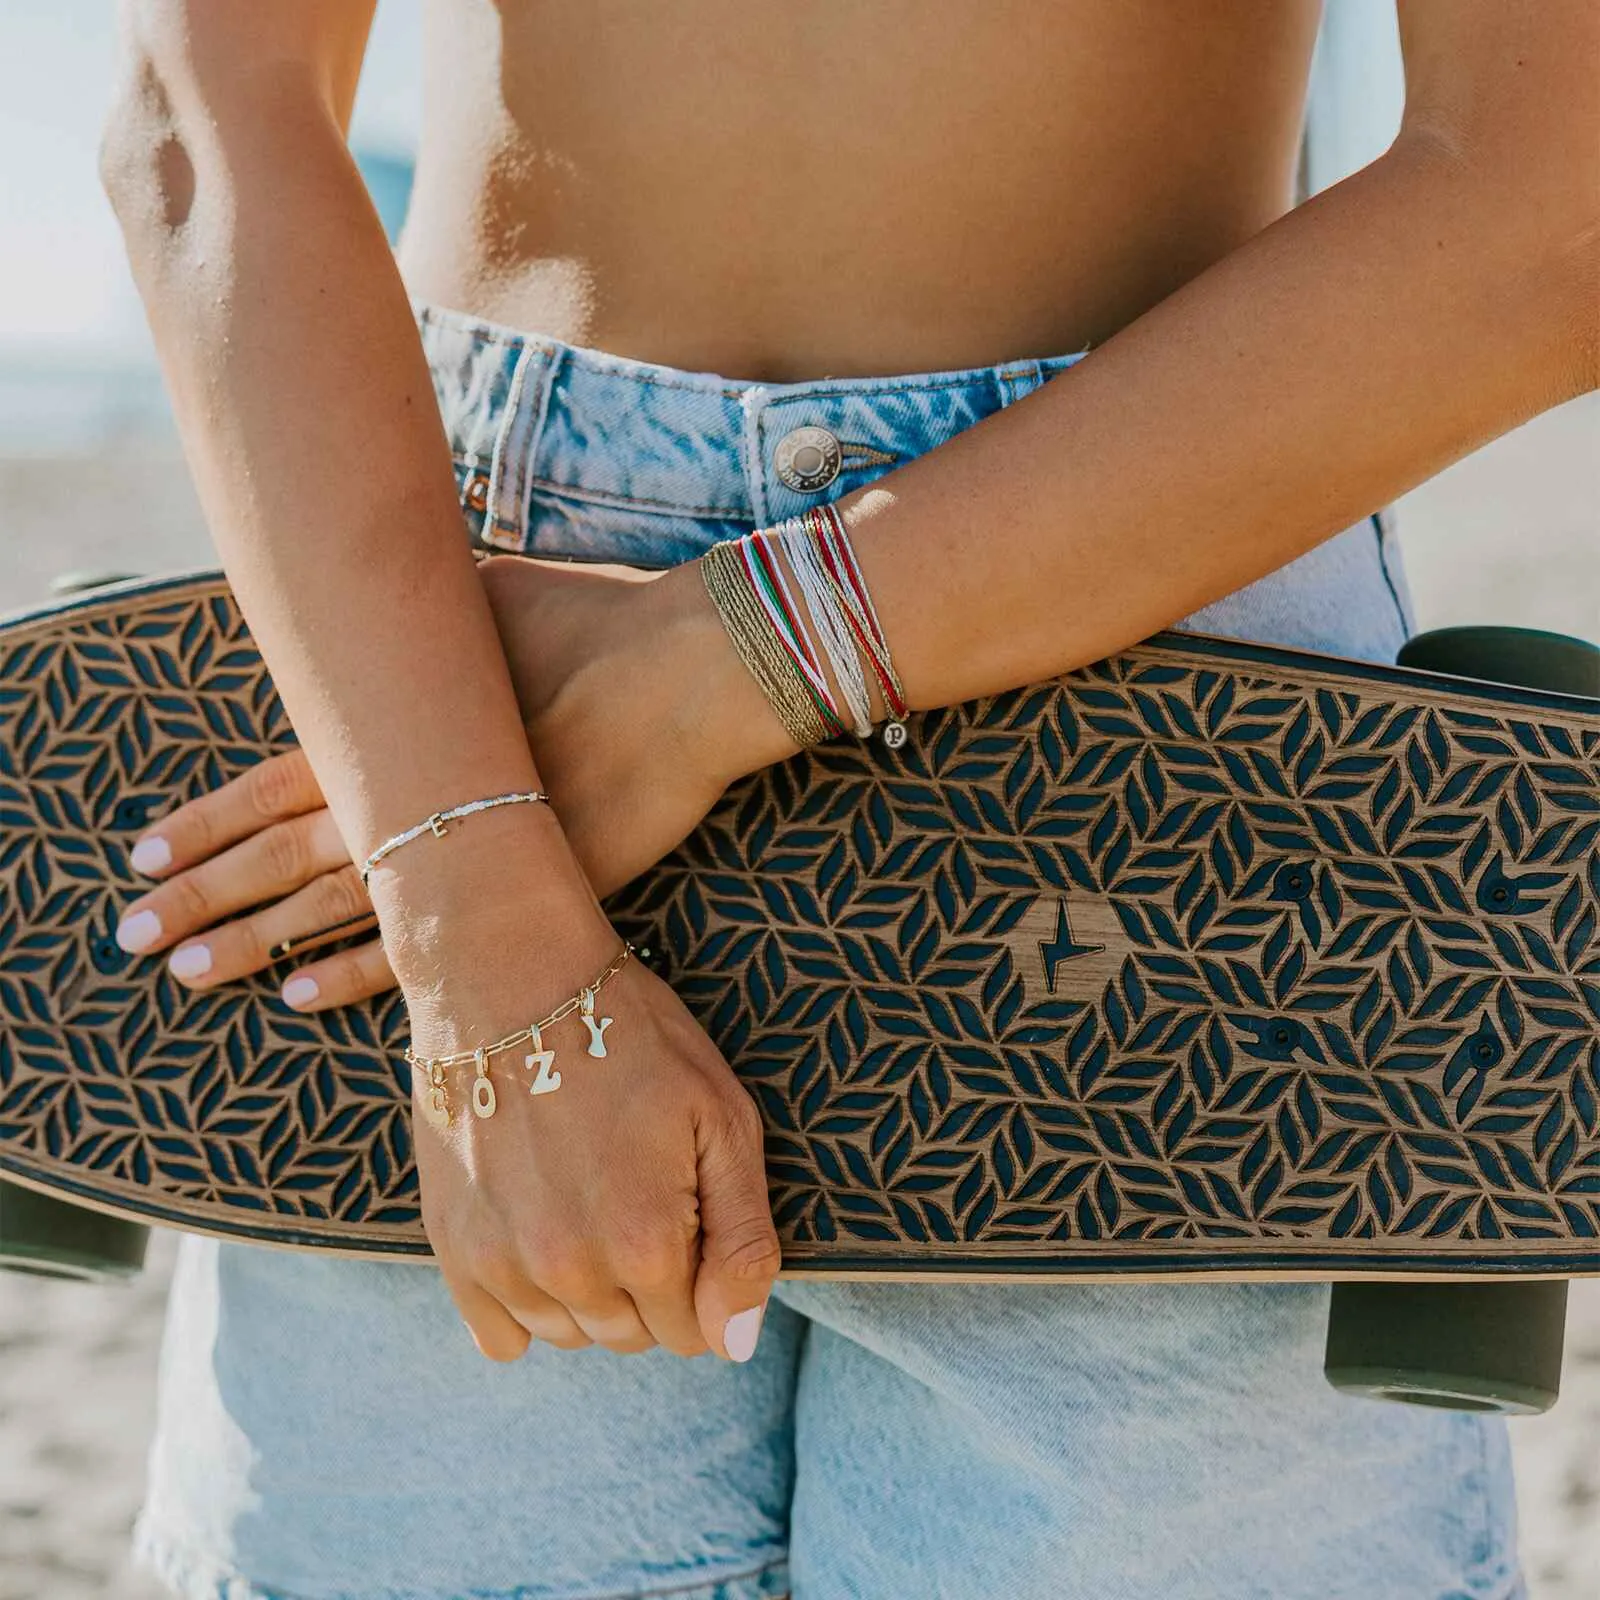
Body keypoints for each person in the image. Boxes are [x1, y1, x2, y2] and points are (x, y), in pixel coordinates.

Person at [100, 2, 1595, 1596]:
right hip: (447, 648)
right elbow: (202, 102)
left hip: (1144, 635)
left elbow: (1553, 193)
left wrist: (717, 668)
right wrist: (474, 896)